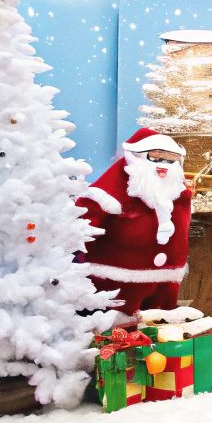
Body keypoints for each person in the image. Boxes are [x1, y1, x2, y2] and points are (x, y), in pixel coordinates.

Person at [76, 127, 195, 316]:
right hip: (116, 282)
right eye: (155, 157)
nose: (163, 165)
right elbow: (79, 227)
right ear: (136, 155)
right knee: (117, 332)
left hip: (167, 281)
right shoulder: (109, 192)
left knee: (161, 328)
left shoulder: (177, 192)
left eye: (171, 159)